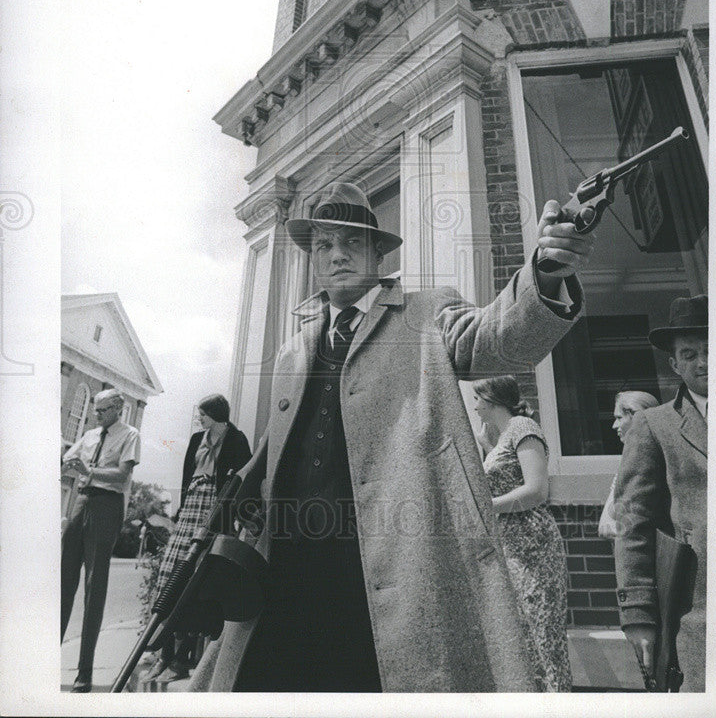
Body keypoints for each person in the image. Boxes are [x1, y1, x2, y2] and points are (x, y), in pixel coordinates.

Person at [189, 181, 595, 692]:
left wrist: (546, 272)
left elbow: (497, 337)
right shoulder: (294, 349)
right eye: (324, 245)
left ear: (378, 253)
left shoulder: (429, 314)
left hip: (390, 573)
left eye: (352, 243)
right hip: (290, 571)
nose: (337, 255)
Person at [614, 295, 708, 692]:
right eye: (689, 354)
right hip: (700, 612)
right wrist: (638, 616)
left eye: (713, 350)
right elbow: (631, 521)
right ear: (674, 365)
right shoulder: (655, 426)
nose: (704, 362)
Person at [473, 375, 571, 692]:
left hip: (535, 547)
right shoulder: (499, 435)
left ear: (489, 399)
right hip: (513, 549)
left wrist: (487, 507)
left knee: (545, 637)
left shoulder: (522, 428)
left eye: (477, 399)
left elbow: (536, 491)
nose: (474, 406)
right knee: (525, 639)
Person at [145, 393, 251, 683]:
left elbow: (243, 480)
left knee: (195, 580)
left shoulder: (237, 440)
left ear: (217, 413)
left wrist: (238, 515)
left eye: (203, 413)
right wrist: (179, 509)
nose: (199, 418)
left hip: (213, 512)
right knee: (171, 574)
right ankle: (163, 655)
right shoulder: (196, 440)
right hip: (192, 505)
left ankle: (180, 661)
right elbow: (186, 476)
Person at [61, 388, 140, 693]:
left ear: (117, 410)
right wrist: (69, 464)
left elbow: (122, 475)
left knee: (95, 588)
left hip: (107, 506)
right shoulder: (90, 434)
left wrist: (89, 470)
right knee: (64, 580)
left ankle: (84, 673)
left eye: (102, 410)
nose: (96, 415)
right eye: (95, 410)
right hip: (82, 501)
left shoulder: (130, 435)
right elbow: (68, 459)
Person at [598, 391, 659, 539]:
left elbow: (607, 528)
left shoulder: (648, 461)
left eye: (619, 418)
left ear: (638, 417)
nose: (614, 425)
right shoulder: (628, 459)